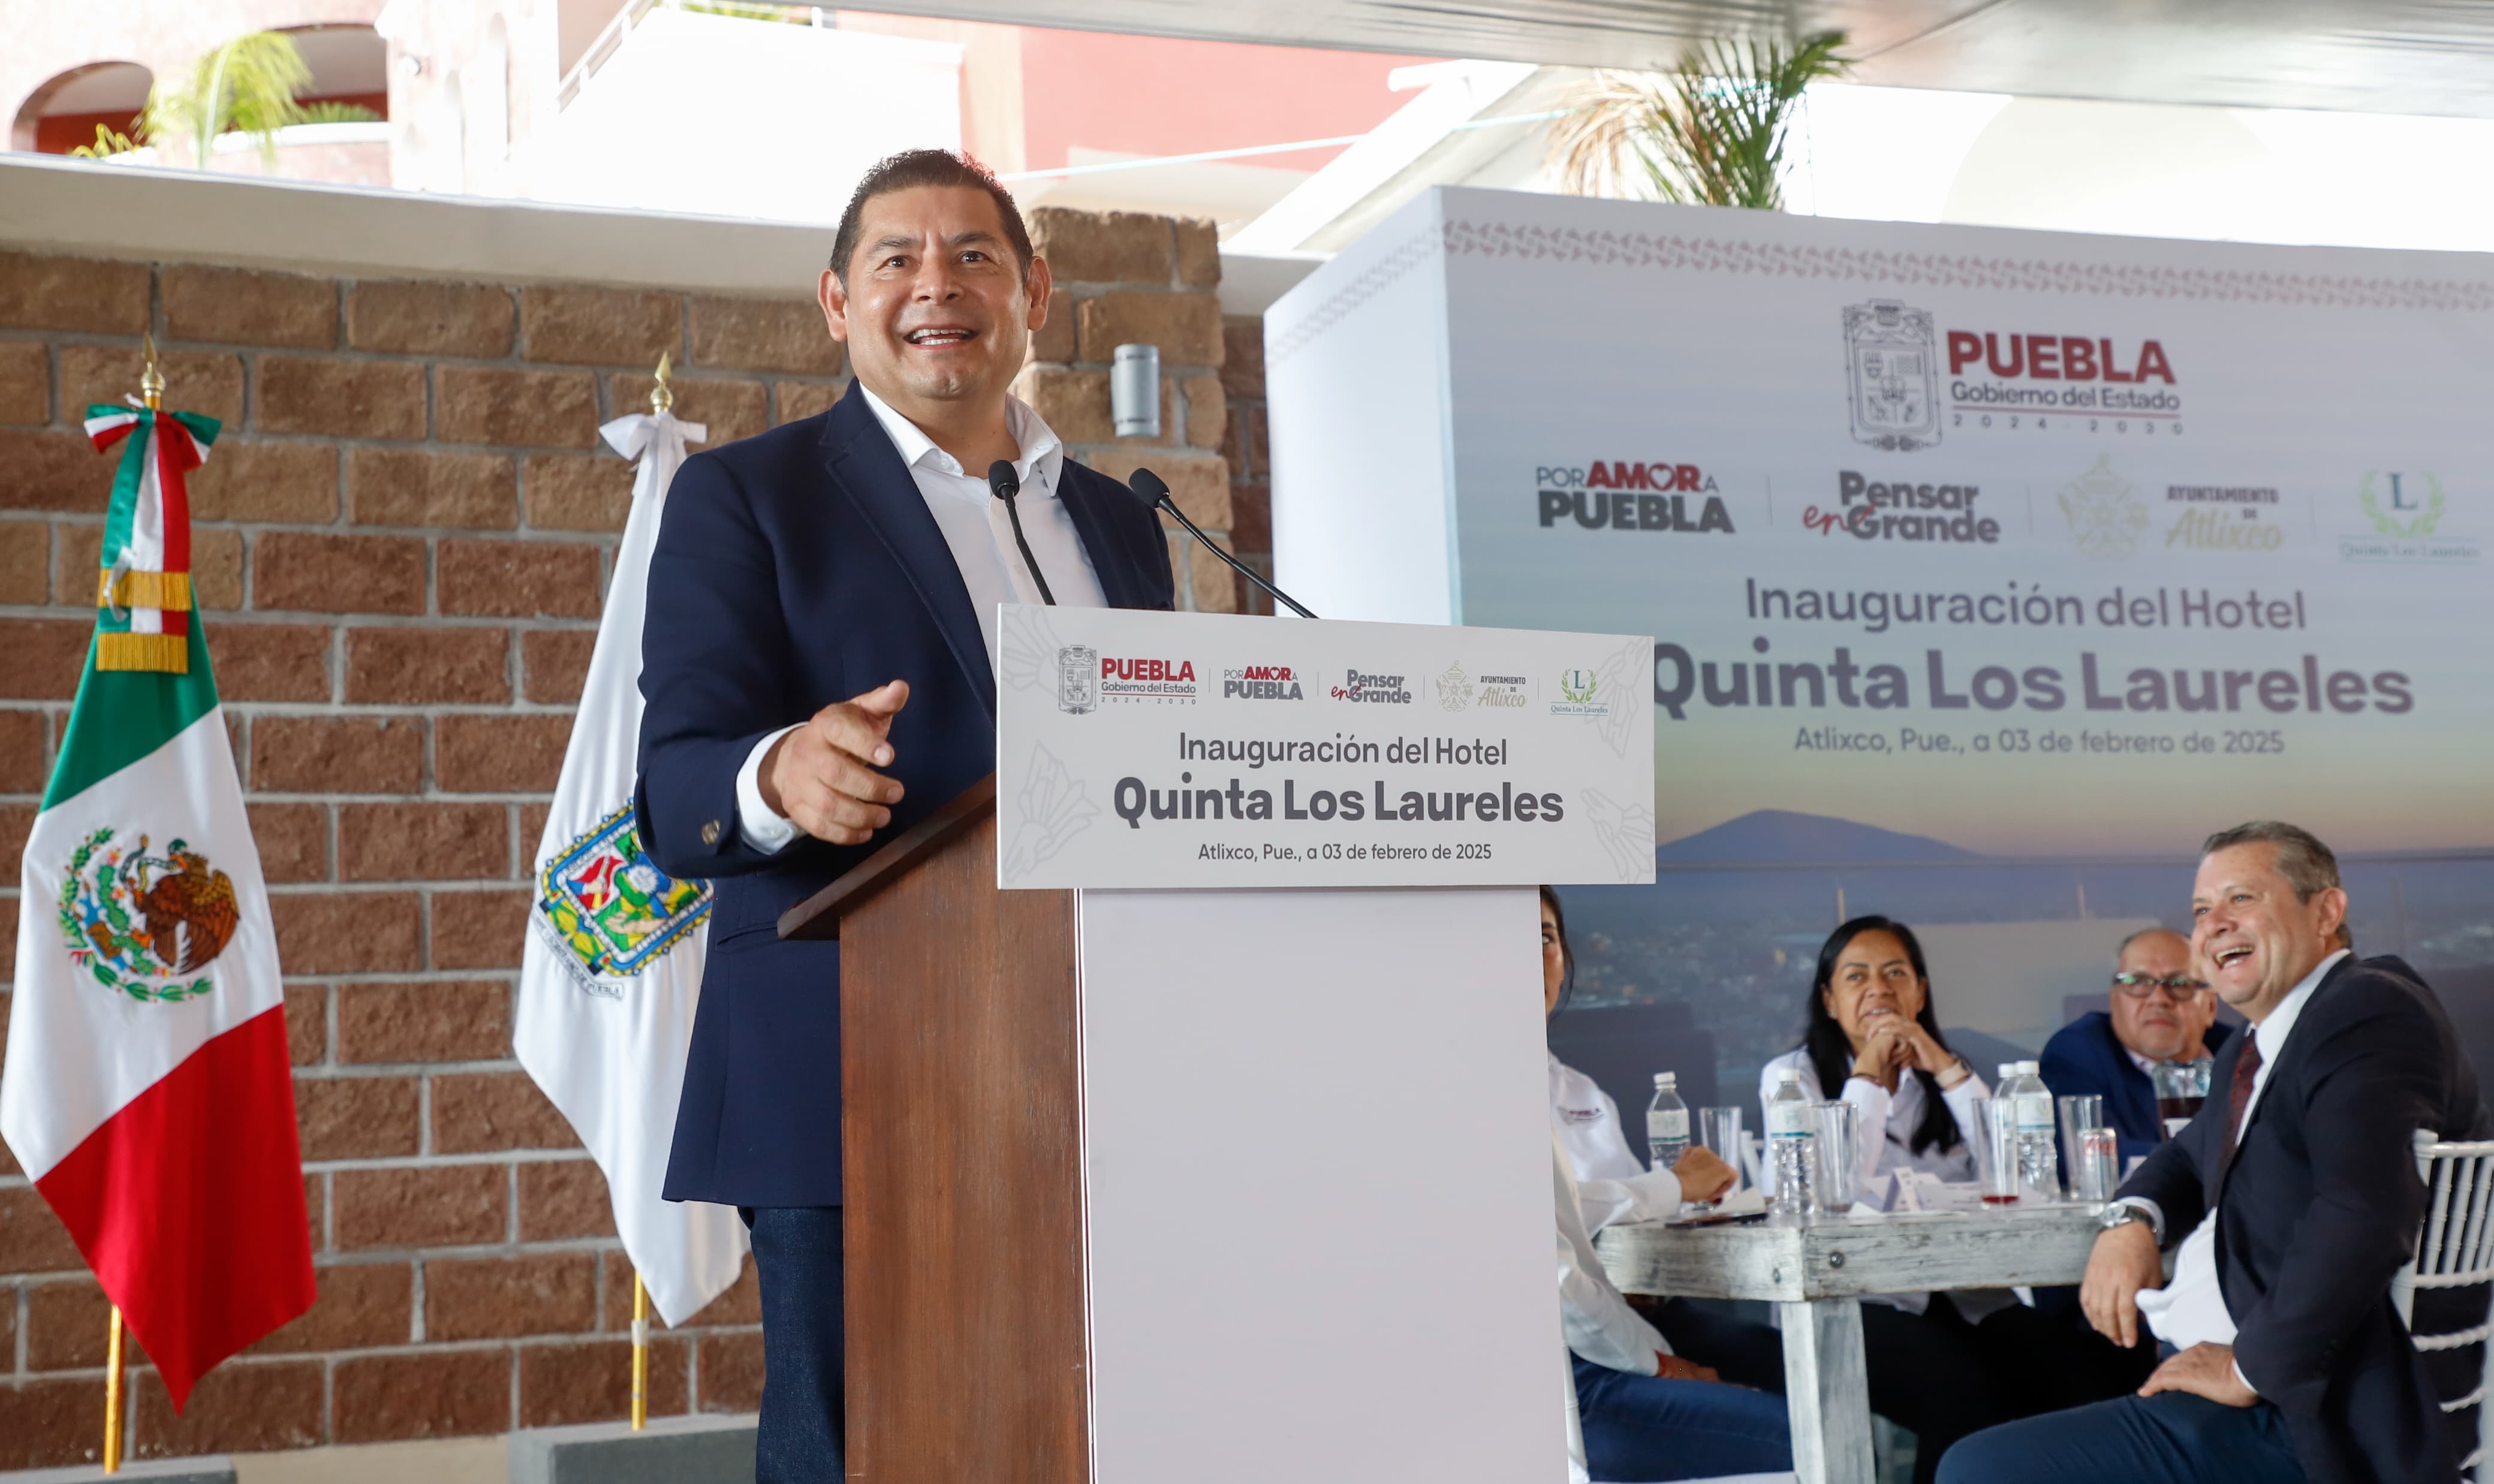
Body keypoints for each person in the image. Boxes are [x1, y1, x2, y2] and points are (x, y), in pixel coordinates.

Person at [635, 149, 1176, 1480]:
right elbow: (672, 788)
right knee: (862, 1451)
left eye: (975, 256)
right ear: (839, 303)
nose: (939, 285)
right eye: (897, 260)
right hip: (853, 1072)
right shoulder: (748, 495)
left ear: (1033, 295)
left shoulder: (1121, 523)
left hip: (1106, 1069)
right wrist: (780, 776)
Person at [1938, 821, 2492, 1484]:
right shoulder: (2260, 1041)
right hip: (2248, 1383)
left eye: (2241, 898)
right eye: (2202, 909)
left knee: (1976, 1467)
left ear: (2325, 912)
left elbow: (2363, 1212)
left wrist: (2247, 1368)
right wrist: (2131, 1220)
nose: (2213, 924)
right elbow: (2186, 1156)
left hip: (2309, 1413)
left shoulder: (2366, 1009)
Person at [1755, 915, 2037, 1484]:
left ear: (1920, 992)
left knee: (2068, 1366)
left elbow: (2018, 1178)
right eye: (1856, 977)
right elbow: (1829, 1193)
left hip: (1964, 1294)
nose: (1878, 989)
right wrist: (1866, 1077)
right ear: (1829, 1000)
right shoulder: (1792, 1079)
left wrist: (1949, 1072)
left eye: (1895, 973)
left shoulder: (1946, 1077)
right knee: (1962, 1390)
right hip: (1850, 1303)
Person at [1542, 893, 1794, 1480]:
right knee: (1802, 1433)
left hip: (1628, 1308)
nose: (1531, 958)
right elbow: (1557, 1253)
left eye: (1545, 938)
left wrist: (1669, 1194)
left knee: (1797, 1370)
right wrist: (1657, 1364)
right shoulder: (1474, 1087)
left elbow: (1600, 1210)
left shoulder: (1579, 1089)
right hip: (1573, 1362)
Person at [2039, 926, 2230, 1165]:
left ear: (2211, 1006)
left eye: (2179, 983)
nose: (2158, 999)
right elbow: (2095, 1157)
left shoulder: (2246, 1051)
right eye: (2137, 982)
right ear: (2114, 1001)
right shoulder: (2078, 1052)